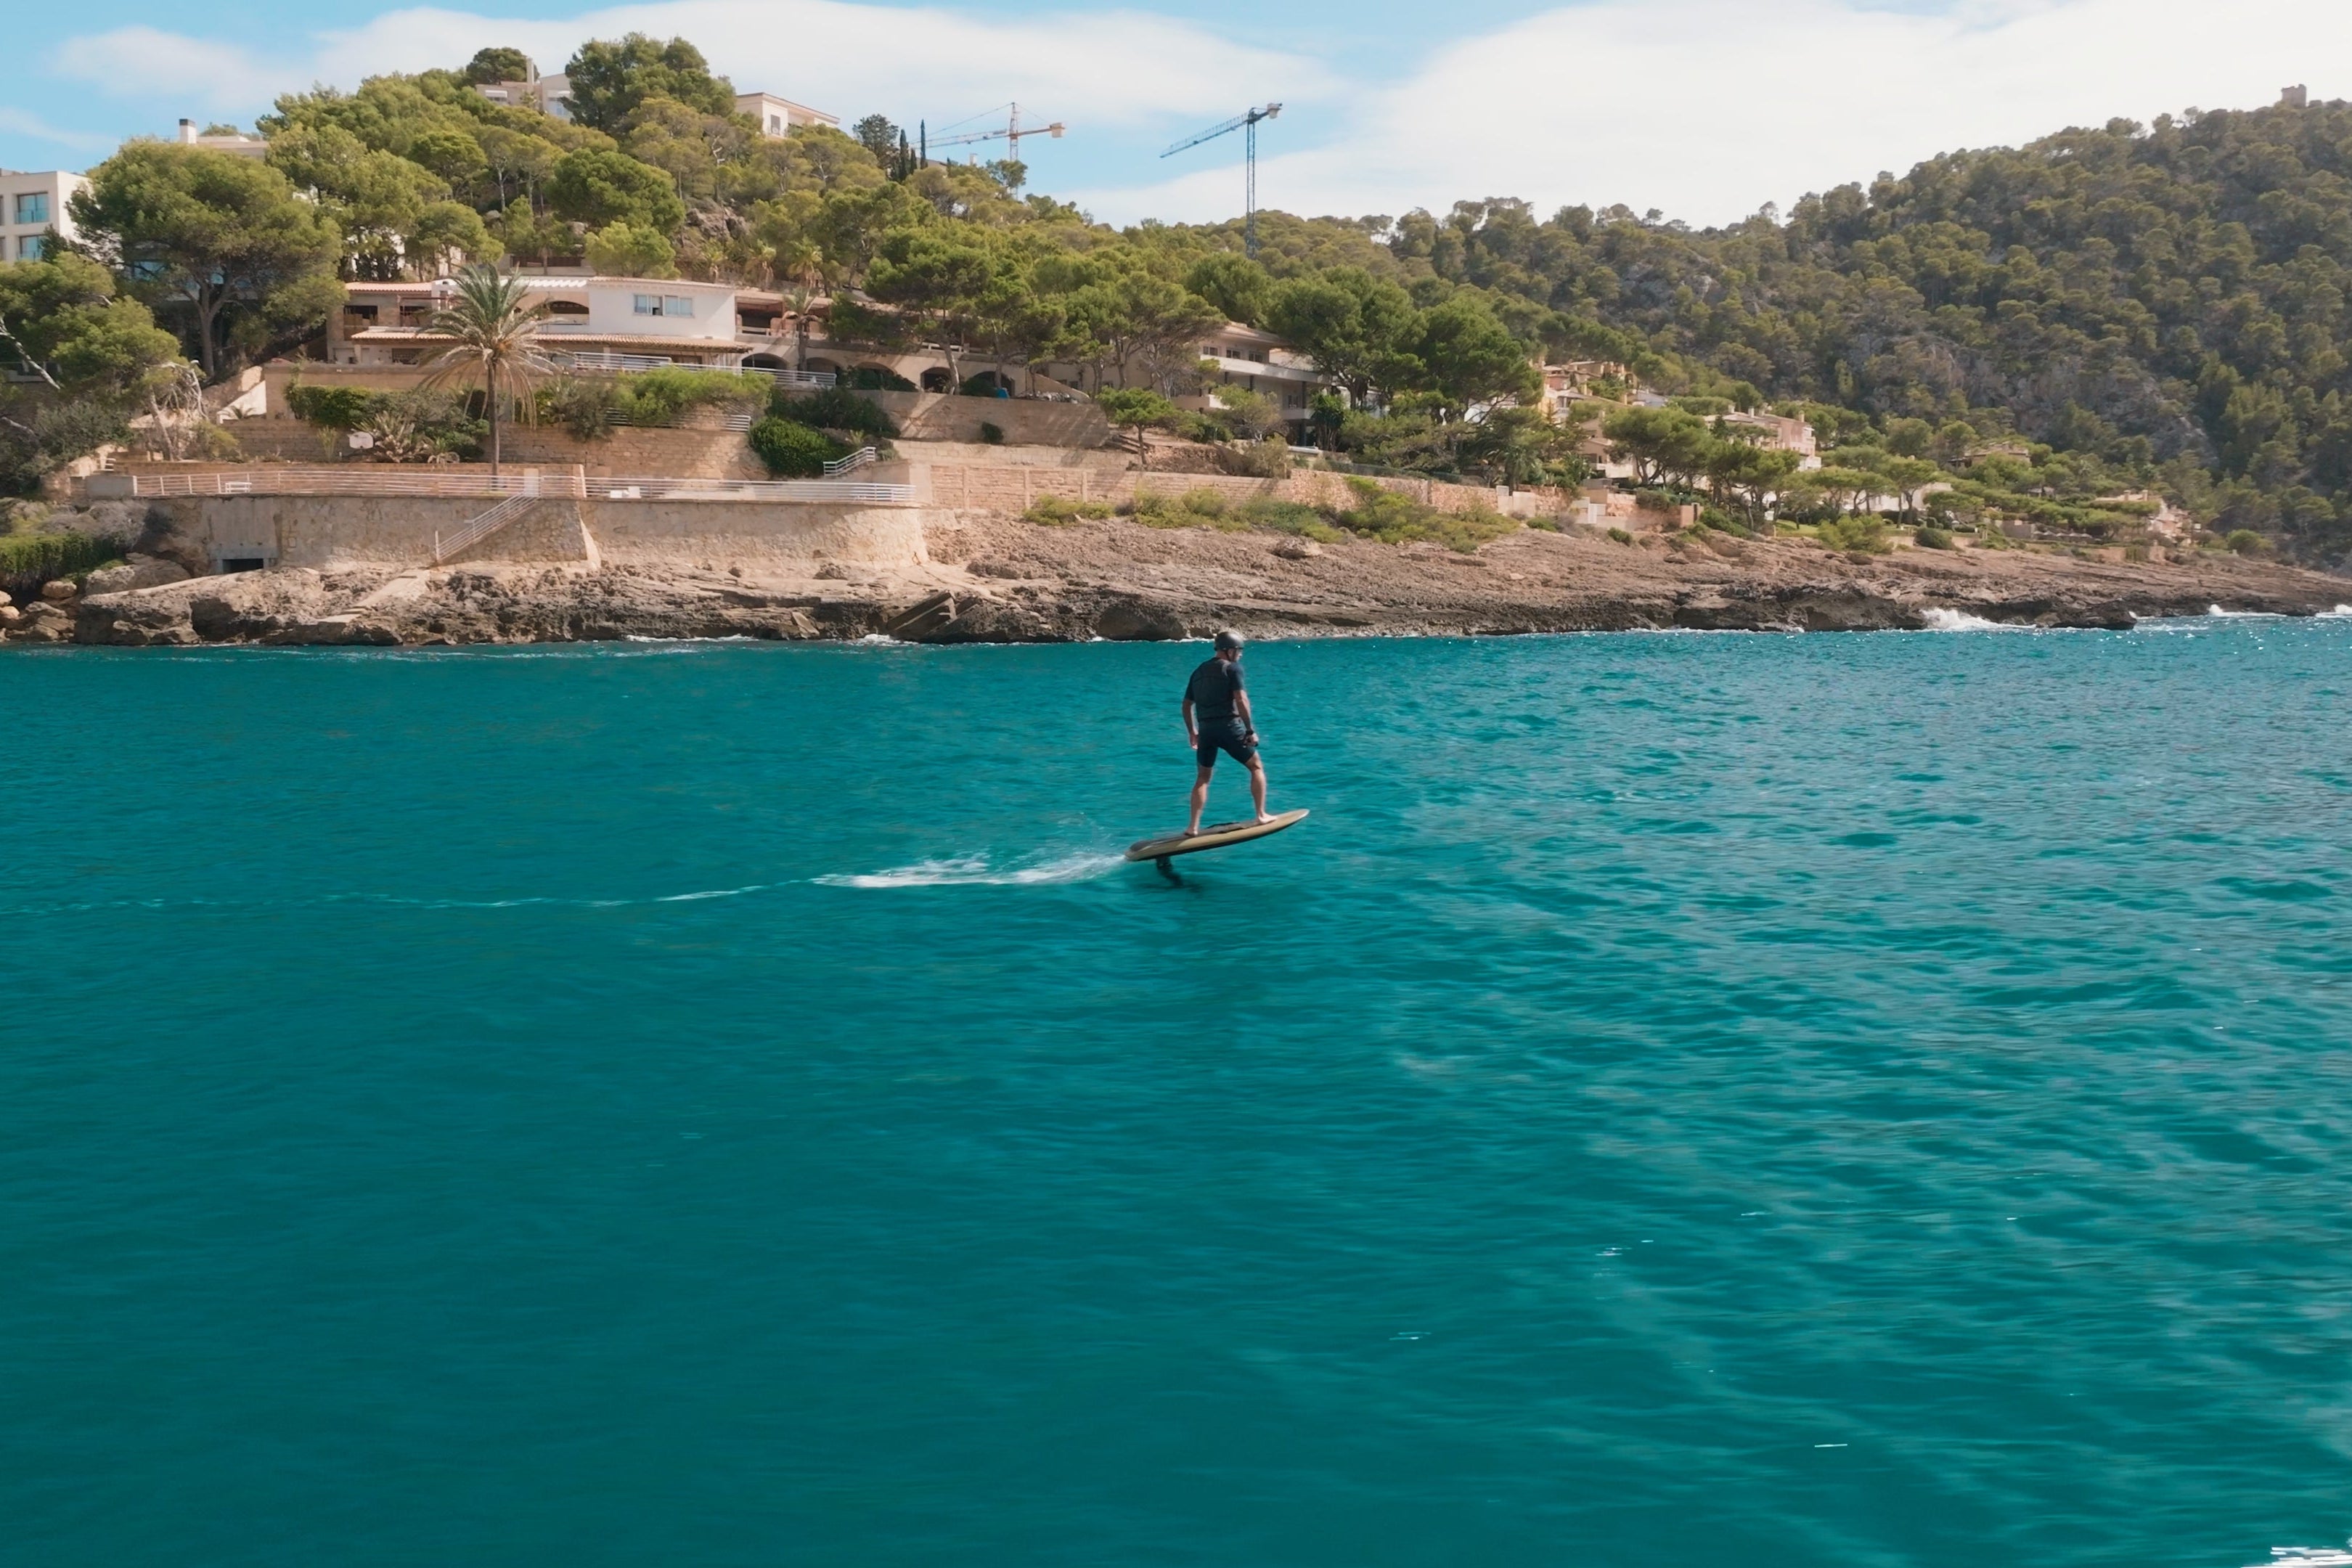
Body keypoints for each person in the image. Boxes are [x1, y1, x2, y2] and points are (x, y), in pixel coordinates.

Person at [1182, 629, 1272, 835]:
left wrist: (1192, 731)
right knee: (1256, 767)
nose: (1240, 654)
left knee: (1202, 778)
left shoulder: (1198, 672)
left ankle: (1192, 827)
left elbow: (1186, 705)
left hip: (1205, 731)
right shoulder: (1233, 669)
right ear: (1229, 650)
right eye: (1239, 650)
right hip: (1229, 728)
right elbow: (1241, 700)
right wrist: (1249, 730)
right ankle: (1261, 815)